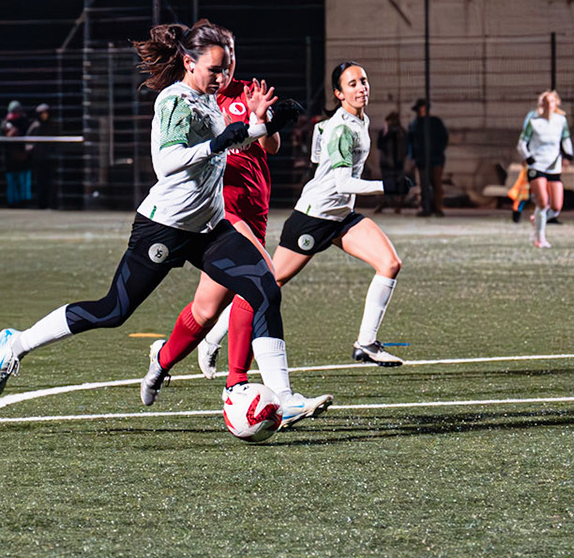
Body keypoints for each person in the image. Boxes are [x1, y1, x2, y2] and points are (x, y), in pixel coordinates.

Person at [0, 20, 330, 429]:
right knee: (113, 310)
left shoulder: (206, 99)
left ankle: (285, 398)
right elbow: (166, 163)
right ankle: (17, 343)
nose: (222, 77)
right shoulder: (174, 102)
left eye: (226, 68)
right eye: (214, 69)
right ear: (189, 62)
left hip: (209, 228)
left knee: (264, 289)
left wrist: (264, 125)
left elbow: (230, 145)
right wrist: (222, 140)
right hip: (163, 228)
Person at [195, 61, 408, 378]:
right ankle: (211, 340)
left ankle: (366, 343)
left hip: (340, 216)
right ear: (338, 93)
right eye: (352, 84)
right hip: (312, 218)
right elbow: (342, 184)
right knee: (267, 282)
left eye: (363, 81)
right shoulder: (342, 128)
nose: (361, 87)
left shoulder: (352, 122)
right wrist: (388, 186)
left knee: (390, 264)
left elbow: (317, 152)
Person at [152, 62, 289, 389]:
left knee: (206, 309)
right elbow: (180, 155)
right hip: (219, 206)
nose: (225, 69)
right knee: (262, 280)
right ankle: (248, 387)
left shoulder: (247, 90)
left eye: (229, 60)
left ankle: (162, 360)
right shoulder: (193, 100)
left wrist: (264, 119)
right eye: (217, 62)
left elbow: (273, 146)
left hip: (255, 204)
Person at [519, 90, 572, 249]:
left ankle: (538, 220)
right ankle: (540, 238)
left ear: (556, 103)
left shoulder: (561, 121)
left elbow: (566, 140)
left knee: (556, 207)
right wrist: (528, 158)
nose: (549, 105)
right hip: (537, 166)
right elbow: (521, 143)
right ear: (541, 105)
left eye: (552, 102)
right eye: (546, 102)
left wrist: (568, 156)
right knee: (543, 203)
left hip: (553, 166)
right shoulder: (534, 122)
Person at [407, 98, 448, 216]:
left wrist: (438, 151)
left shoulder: (435, 123)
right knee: (423, 185)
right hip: (422, 159)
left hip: (435, 158)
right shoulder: (415, 124)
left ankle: (437, 207)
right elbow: (410, 141)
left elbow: (443, 138)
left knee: (436, 184)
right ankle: (426, 207)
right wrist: (413, 156)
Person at [374, 109, 409, 214]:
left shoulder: (400, 133)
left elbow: (404, 147)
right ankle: (389, 203)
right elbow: (380, 145)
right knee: (389, 183)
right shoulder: (388, 132)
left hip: (395, 162)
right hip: (390, 163)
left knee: (395, 183)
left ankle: (395, 204)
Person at [1, 100, 33, 207]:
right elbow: (0, 141)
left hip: (23, 159)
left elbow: (29, 140)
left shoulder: (26, 123)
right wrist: (8, 135)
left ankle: (25, 201)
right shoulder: (5, 124)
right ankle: (12, 202)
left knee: (24, 181)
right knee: (12, 183)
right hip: (10, 159)